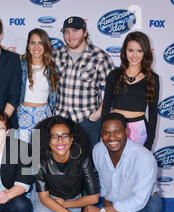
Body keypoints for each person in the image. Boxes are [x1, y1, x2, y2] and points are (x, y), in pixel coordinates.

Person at [32, 116, 99, 212]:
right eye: (54, 136)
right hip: (47, 197)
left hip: (72, 198)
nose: (60, 141)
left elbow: (93, 198)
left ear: (72, 139)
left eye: (64, 136)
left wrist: (66, 206)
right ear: (48, 140)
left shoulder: (83, 159)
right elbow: (44, 197)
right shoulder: (40, 160)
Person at [53, 16, 115, 147]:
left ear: (85, 32)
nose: (71, 36)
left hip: (87, 121)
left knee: (87, 163)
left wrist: (96, 115)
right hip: (60, 119)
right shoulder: (57, 54)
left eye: (75, 31)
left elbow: (113, 91)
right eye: (67, 32)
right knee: (61, 162)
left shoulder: (100, 57)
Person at [102, 31, 160, 151]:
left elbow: (153, 112)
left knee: (135, 168)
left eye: (139, 51)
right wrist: (102, 133)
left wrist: (149, 142)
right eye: (130, 50)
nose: (134, 55)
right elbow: (106, 106)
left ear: (145, 53)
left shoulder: (152, 78)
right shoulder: (114, 75)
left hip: (139, 131)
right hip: (115, 128)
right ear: (125, 52)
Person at [17, 28, 58, 143]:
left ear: (45, 45)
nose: (36, 47)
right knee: (22, 154)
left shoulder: (52, 68)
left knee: (40, 155)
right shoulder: (20, 66)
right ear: (28, 46)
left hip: (44, 115)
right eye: (33, 43)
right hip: (23, 115)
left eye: (40, 43)